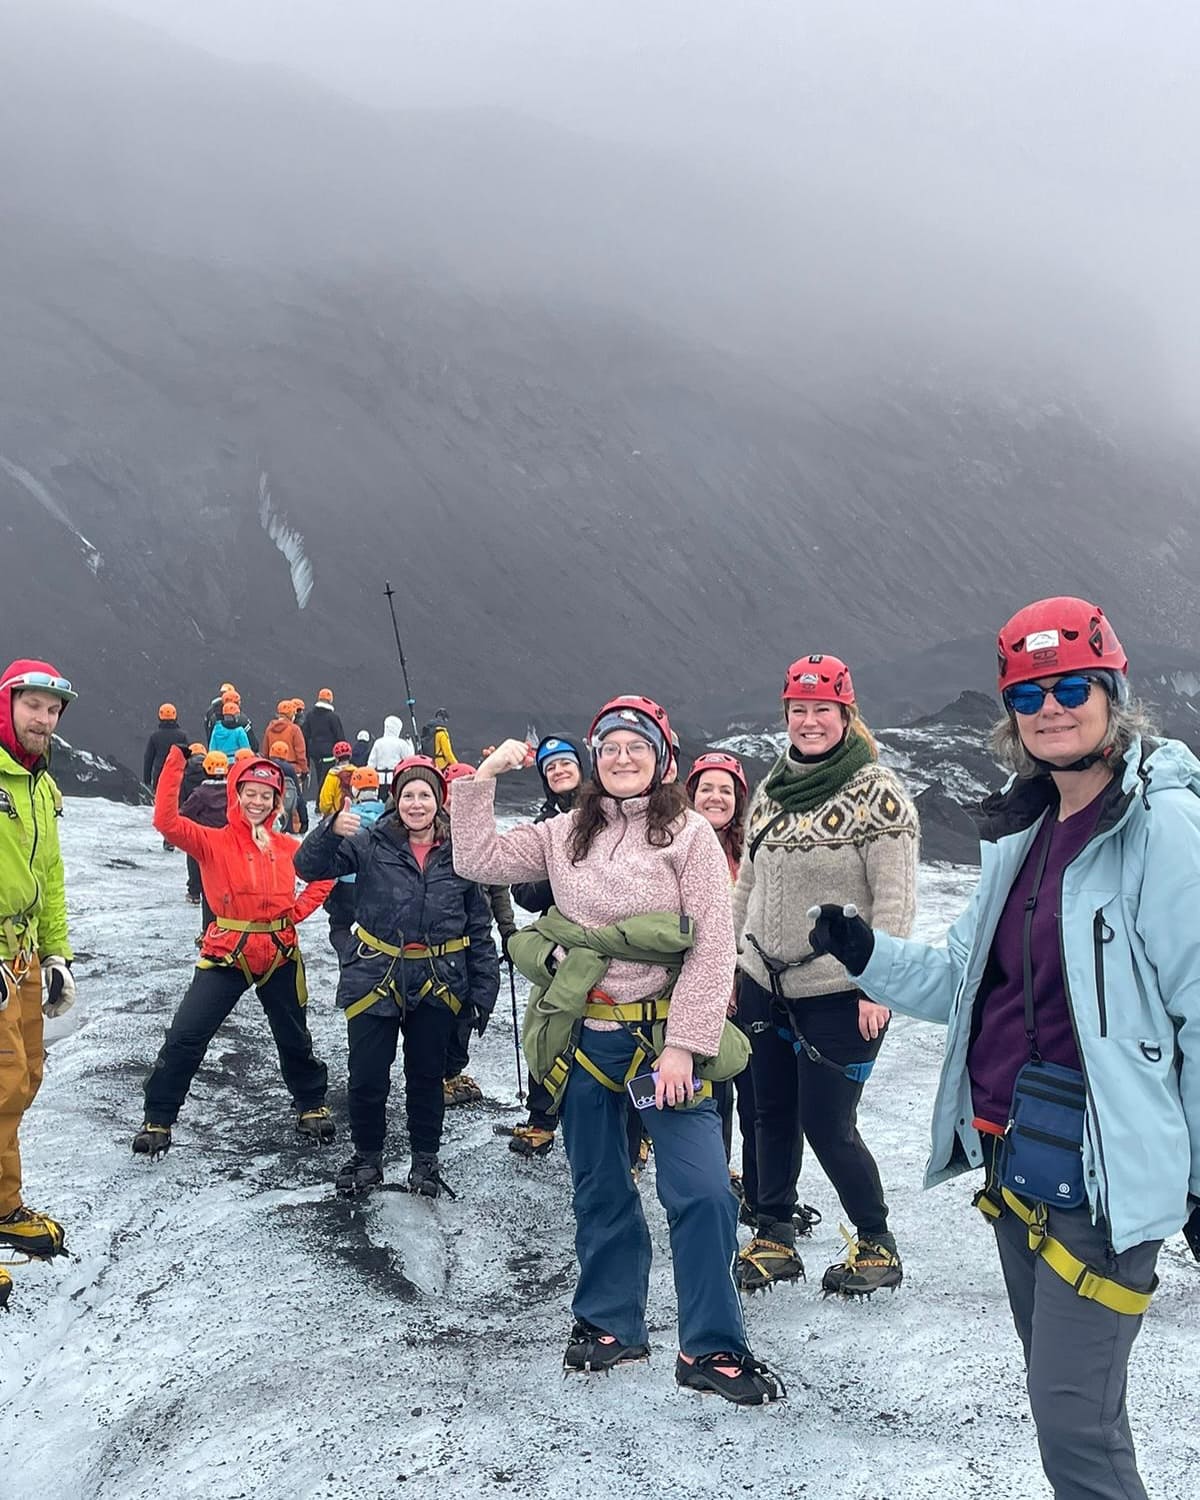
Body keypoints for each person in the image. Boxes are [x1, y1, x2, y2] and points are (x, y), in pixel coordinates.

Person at [808, 597, 1200, 1500]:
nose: (1051, 709)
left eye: (1071, 686)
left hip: (1099, 1177)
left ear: (1113, 693)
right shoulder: (1023, 833)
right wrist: (867, 954)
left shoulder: (1158, 827)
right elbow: (962, 980)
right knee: (1070, 1406)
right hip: (1016, 1158)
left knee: (1074, 1426)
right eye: (1030, 696)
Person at [451, 697, 783, 1405]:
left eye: (636, 747)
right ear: (595, 761)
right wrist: (483, 776)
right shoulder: (565, 830)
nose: (622, 758)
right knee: (599, 1188)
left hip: (664, 1043)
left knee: (701, 1193)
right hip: (584, 1042)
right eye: (609, 749)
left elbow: (712, 945)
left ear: (662, 758)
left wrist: (686, 1048)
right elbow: (477, 858)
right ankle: (610, 1323)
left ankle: (712, 1346)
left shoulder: (689, 835)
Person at [732, 654, 918, 1297]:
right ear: (786, 715)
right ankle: (774, 1236)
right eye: (798, 710)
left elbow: (894, 897)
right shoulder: (771, 789)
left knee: (827, 1123)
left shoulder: (877, 792)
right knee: (767, 1113)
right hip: (763, 981)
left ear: (846, 714)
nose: (809, 721)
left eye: (822, 710)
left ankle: (876, 1242)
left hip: (840, 992)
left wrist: (879, 984)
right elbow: (748, 885)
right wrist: (734, 963)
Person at [295, 756, 499, 1198]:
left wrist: (484, 990)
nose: (416, 803)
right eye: (408, 794)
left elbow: (478, 927)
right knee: (367, 1076)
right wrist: (329, 831)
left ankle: (425, 1161)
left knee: (426, 1078)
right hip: (374, 974)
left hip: (438, 979)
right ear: (396, 799)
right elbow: (307, 868)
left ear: (439, 801)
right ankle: (367, 1158)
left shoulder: (460, 854)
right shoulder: (367, 843)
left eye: (425, 794)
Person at [135, 747, 335, 1157]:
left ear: (277, 801)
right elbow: (166, 821)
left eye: (267, 795)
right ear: (236, 793)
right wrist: (175, 763)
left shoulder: (286, 847)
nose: (258, 802)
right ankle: (158, 1118)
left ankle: (311, 1104)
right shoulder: (212, 842)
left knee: (294, 1037)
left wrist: (296, 912)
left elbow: (325, 874)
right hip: (227, 954)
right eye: (251, 792)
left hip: (280, 953)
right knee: (187, 1035)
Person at [0, 661, 77, 1305]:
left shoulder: (38, 786)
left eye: (52, 710)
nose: (43, 719)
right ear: (9, 704)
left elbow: (49, 875)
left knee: (22, 1080)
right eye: (33, 705)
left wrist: (57, 954)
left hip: (21, 957)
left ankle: (4, 1208)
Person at [686, 751, 759, 1226]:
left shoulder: (751, 854)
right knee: (711, 1094)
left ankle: (755, 1185)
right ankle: (711, 1177)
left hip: (748, 990)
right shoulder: (673, 847)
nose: (716, 797)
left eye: (725, 790)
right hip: (693, 994)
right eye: (706, 788)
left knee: (753, 1095)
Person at [504, 734, 586, 1156]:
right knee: (545, 1028)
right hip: (559, 943)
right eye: (550, 767)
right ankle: (542, 1118)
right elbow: (523, 893)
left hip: (610, 941)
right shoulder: (541, 827)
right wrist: (555, 878)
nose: (558, 771)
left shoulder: (609, 814)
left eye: (565, 763)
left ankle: (636, 1132)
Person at [440, 762, 517, 1107]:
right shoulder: (434, 835)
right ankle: (442, 1073)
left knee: (475, 1003)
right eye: (455, 794)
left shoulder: (487, 835)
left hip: (478, 936)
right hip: (444, 940)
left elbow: (498, 887)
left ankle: (451, 1069)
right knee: (446, 1007)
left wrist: (508, 930)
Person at [320, 765, 388, 962]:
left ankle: (350, 957)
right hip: (378, 885)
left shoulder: (345, 818)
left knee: (339, 926)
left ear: (355, 790)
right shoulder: (389, 815)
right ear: (377, 788)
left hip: (346, 885)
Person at [180, 751, 229, 928]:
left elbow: (184, 813)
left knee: (208, 889)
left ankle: (208, 929)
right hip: (228, 844)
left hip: (205, 842)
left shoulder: (200, 793)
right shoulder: (234, 792)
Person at [301, 689, 345, 797]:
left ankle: (320, 800)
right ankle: (320, 802)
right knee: (325, 778)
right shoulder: (333, 717)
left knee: (319, 775)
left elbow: (305, 734)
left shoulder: (310, 715)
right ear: (330, 700)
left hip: (315, 754)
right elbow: (339, 736)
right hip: (329, 754)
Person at [142, 703, 190, 791]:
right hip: (177, 774)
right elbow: (188, 757)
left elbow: (148, 758)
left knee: (161, 801)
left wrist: (147, 779)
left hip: (160, 774)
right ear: (175, 717)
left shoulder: (154, 736)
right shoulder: (182, 736)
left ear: (160, 717)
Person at [268, 741, 308, 835]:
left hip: (270, 812)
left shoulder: (267, 766)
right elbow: (298, 795)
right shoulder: (289, 769)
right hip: (287, 809)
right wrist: (304, 821)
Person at [263, 700, 309, 782]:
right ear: (291, 715)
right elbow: (300, 753)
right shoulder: (295, 729)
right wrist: (304, 770)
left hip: (273, 768)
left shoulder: (269, 729)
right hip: (293, 769)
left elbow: (265, 752)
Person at [367, 714, 415, 785]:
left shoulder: (378, 742)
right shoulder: (401, 743)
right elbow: (409, 760)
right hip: (396, 779)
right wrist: (410, 744)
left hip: (379, 780)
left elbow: (371, 764)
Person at [317, 742, 356, 818]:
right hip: (354, 817)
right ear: (350, 756)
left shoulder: (332, 776)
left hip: (336, 817)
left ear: (336, 758)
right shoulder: (357, 773)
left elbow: (325, 804)